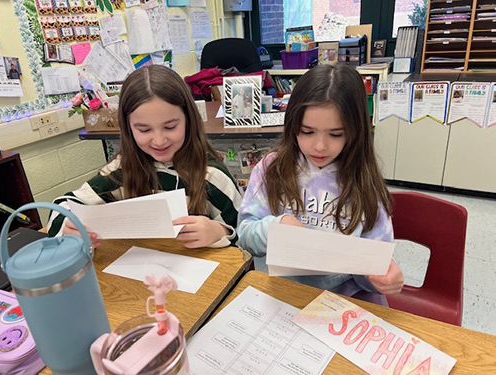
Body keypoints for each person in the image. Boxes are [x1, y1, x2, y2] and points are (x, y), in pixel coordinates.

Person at [237, 64, 404, 305]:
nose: (319, 147)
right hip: (284, 297)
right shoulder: (272, 169)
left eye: (336, 134)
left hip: (345, 301)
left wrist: (384, 277)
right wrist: (276, 226)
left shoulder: (364, 181)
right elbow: (245, 234)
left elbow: (375, 265)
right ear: (293, 125)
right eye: (307, 131)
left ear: (355, 131)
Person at [47, 65, 243, 249]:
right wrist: (68, 225)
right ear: (129, 129)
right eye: (144, 129)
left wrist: (219, 231)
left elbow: (243, 236)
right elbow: (62, 204)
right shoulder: (122, 169)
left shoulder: (212, 176)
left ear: (189, 120)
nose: (159, 141)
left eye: (170, 127)